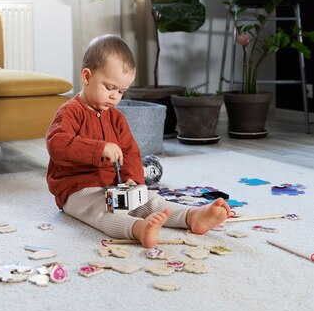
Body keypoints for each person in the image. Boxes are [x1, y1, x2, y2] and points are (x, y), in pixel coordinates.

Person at [46, 34, 232, 248]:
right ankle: (138, 229)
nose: (115, 97)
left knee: (150, 201)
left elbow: (131, 152)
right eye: (109, 87)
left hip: (115, 185)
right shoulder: (70, 112)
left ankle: (192, 216)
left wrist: (133, 180)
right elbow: (57, 145)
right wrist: (99, 148)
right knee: (101, 212)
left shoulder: (116, 117)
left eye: (121, 91)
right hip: (77, 188)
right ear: (87, 77)